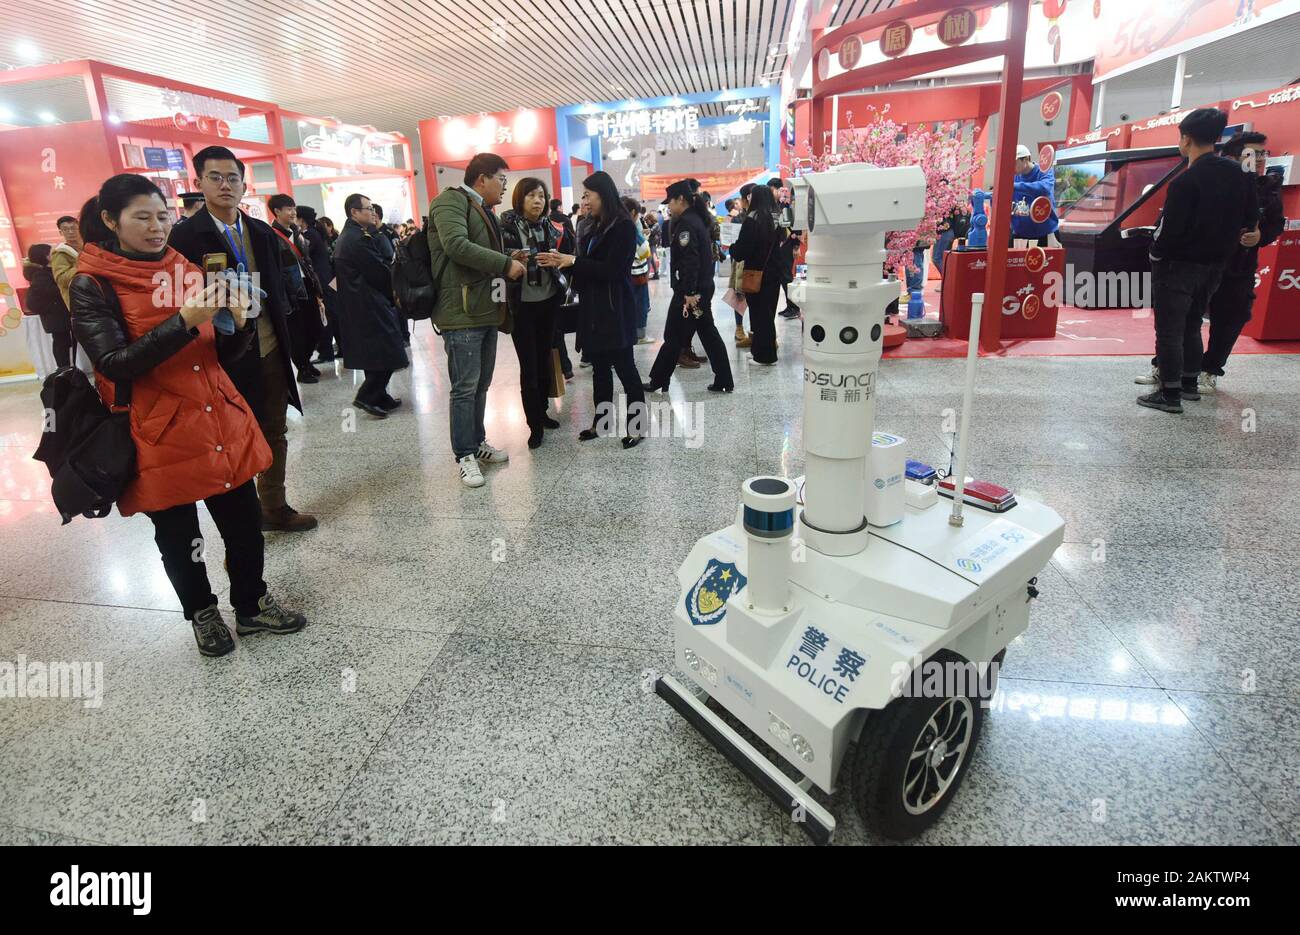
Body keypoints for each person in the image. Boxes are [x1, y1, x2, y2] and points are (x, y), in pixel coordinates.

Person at [70, 173, 307, 657]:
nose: (157, 227)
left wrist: (237, 324)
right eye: (142, 218)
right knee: (179, 535)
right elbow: (113, 364)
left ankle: (252, 604)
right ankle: (202, 612)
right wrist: (183, 322)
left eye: (162, 216)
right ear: (111, 220)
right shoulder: (92, 283)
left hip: (217, 413)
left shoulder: (186, 268)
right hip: (155, 428)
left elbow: (222, 352)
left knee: (243, 522)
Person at [169, 145, 316, 532]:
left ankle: (274, 505)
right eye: (215, 177)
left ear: (244, 184)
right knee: (229, 437)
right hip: (219, 357)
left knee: (274, 429)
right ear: (198, 183)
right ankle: (243, 520)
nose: (225, 185)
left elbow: (281, 286)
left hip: (268, 346)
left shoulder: (260, 231)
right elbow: (174, 304)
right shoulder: (183, 238)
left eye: (232, 178)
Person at [1137, 108, 1258, 413]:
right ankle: (1190, 383)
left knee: (1169, 329)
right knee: (1192, 324)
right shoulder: (1238, 175)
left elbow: (1170, 232)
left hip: (1177, 266)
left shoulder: (1185, 183)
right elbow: (1251, 216)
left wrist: (1156, 252)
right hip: (1216, 265)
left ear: (1186, 139)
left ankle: (1169, 393)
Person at [427, 152, 526, 488]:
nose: (503, 187)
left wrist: (510, 256)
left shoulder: (483, 209)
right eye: (501, 179)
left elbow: (482, 249)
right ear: (481, 178)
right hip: (461, 313)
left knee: (481, 384)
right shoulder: (449, 202)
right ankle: (464, 455)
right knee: (464, 388)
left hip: (485, 309)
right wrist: (503, 264)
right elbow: (455, 245)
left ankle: (477, 441)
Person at [538, 171, 646, 448]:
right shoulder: (591, 225)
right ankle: (603, 422)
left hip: (614, 307)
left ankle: (638, 426)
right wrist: (566, 263)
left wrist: (572, 261)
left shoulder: (622, 226)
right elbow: (583, 263)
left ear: (603, 194)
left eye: (587, 195)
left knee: (625, 368)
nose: (583, 200)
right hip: (592, 307)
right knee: (599, 368)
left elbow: (614, 270)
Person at [1196, 131, 1286, 392]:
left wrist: (1260, 236)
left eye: (1262, 154)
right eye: (1252, 154)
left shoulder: (1268, 189)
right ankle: (1170, 366)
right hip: (1201, 263)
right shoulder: (1210, 183)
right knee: (1184, 317)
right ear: (1231, 158)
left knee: (1231, 318)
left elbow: (1275, 225)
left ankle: (1210, 369)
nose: (1258, 160)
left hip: (1239, 268)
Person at [644, 179, 734, 394]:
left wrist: (689, 292)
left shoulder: (686, 223)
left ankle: (658, 380)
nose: (669, 207)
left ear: (681, 199)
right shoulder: (697, 219)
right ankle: (724, 379)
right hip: (699, 289)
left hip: (691, 293)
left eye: (670, 203)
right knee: (707, 333)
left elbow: (690, 260)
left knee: (674, 335)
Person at [501, 178, 567, 448]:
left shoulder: (550, 227)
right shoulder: (505, 226)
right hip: (522, 304)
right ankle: (534, 424)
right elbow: (495, 256)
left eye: (541, 196)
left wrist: (554, 259)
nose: (538, 201)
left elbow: (564, 255)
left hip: (548, 299)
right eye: (531, 196)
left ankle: (542, 411)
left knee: (544, 360)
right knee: (529, 366)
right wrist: (512, 257)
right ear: (519, 199)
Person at [334, 193, 409, 418]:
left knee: (375, 352)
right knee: (388, 350)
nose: (372, 212)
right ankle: (367, 395)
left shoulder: (355, 234)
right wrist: (394, 289)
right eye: (367, 208)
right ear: (354, 212)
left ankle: (380, 395)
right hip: (368, 302)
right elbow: (378, 270)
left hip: (363, 302)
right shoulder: (356, 239)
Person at [268, 193, 325, 384]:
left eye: (294, 208)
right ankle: (302, 367)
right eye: (288, 209)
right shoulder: (271, 236)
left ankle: (306, 361)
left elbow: (306, 261)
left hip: (307, 285)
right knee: (297, 331)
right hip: (289, 290)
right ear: (277, 211)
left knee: (315, 327)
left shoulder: (296, 231)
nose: (293, 212)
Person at [728, 184, 784, 366]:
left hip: (756, 273)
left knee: (759, 315)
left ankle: (764, 356)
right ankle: (762, 351)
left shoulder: (752, 221)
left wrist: (733, 247)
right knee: (767, 314)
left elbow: (742, 250)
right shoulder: (777, 220)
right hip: (774, 273)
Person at [294, 205, 340, 362]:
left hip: (322, 281)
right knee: (332, 314)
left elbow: (303, 257)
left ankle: (326, 352)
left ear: (301, 219)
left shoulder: (309, 235)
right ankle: (341, 349)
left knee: (325, 315)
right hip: (327, 279)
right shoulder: (314, 233)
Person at [23, 244, 74, 367]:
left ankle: (66, 368)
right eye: (53, 253)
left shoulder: (43, 272)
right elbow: (52, 291)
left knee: (63, 342)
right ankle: (64, 369)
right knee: (61, 343)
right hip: (55, 315)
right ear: (47, 257)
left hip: (57, 314)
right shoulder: (40, 275)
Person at [1009, 144, 1058, 247]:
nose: (1011, 166)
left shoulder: (1044, 171)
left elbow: (1044, 187)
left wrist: (1015, 186)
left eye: (1014, 162)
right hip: (1019, 234)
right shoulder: (1013, 177)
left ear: (1025, 159)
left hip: (1044, 233)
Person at [770, 178, 802, 319]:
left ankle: (794, 307)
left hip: (787, 246)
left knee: (787, 277)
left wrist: (796, 247)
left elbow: (795, 227)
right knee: (783, 277)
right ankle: (790, 306)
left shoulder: (784, 206)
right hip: (779, 247)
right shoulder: (774, 206)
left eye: (771, 189)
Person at [728, 183, 755, 347]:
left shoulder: (760, 216)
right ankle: (739, 328)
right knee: (739, 294)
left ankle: (754, 332)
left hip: (755, 264)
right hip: (740, 261)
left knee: (756, 298)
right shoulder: (739, 218)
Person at [624, 197, 653, 343]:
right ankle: (640, 335)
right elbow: (644, 252)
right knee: (640, 304)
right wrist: (645, 239)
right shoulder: (631, 227)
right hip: (638, 272)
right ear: (634, 212)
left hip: (626, 274)